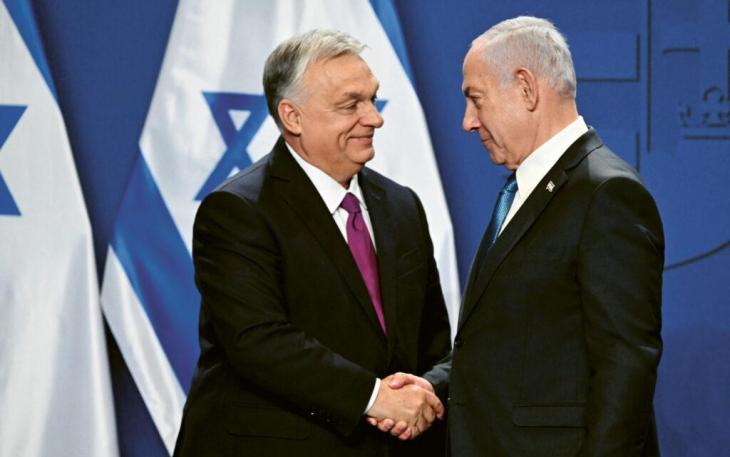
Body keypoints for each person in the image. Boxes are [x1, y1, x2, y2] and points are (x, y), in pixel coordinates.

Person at [383, 16, 664, 456]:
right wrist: (434, 384)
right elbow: (510, 342)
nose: (467, 122)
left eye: (476, 99)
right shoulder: (525, 189)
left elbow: (625, 366)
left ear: (526, 88)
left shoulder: (606, 194)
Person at [172, 29, 451, 457]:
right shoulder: (237, 211)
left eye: (372, 99)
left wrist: (426, 391)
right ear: (293, 117)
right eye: (350, 105)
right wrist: (375, 398)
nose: (374, 118)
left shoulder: (402, 206)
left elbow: (433, 341)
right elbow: (259, 342)